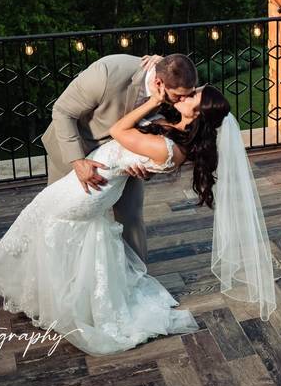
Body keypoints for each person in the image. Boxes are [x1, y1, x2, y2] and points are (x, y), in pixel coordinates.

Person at [0, 85, 276, 356]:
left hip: (90, 188)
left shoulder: (170, 147)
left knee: (37, 220)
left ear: (198, 112)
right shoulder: (176, 134)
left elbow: (118, 131)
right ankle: (22, 279)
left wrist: (152, 101)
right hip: (101, 182)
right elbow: (139, 153)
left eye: (192, 96)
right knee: (56, 231)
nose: (186, 95)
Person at [40, 53, 198, 264]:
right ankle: (58, 272)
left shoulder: (171, 82)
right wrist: (78, 162)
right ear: (158, 82)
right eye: (178, 96)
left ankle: (139, 277)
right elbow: (62, 112)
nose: (182, 100)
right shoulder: (106, 73)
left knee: (131, 217)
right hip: (76, 149)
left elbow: (156, 121)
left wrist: (147, 165)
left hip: (122, 156)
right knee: (61, 217)